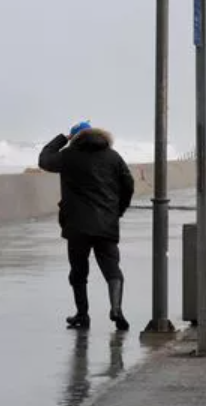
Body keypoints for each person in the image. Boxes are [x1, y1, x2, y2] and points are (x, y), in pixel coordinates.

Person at [38, 121, 134, 331]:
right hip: (106, 224)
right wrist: (117, 211)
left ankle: (83, 315)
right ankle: (116, 309)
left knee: (78, 271)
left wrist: (62, 138)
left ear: (75, 138)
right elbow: (129, 185)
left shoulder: (68, 156)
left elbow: (44, 160)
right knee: (112, 268)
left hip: (77, 226)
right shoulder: (113, 157)